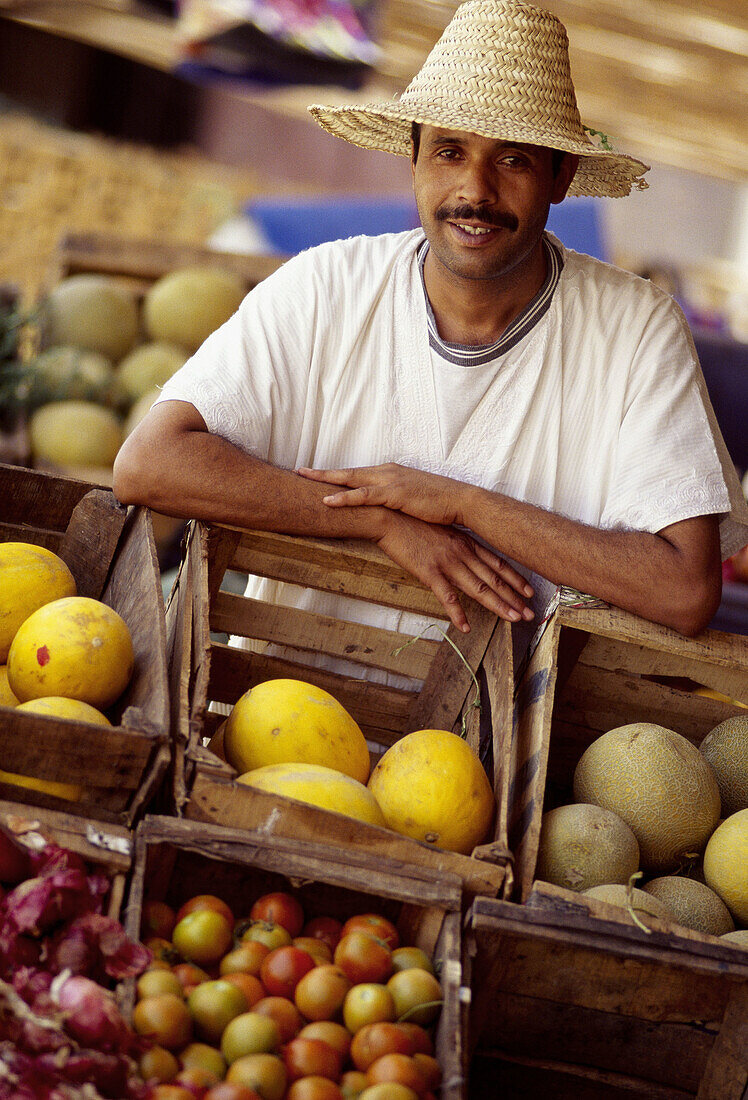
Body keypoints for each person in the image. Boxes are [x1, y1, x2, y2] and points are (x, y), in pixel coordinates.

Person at [113, 0, 748, 677]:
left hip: (508, 758)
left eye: (512, 159)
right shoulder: (328, 287)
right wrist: (382, 520)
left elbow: (684, 590)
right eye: (449, 151)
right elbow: (149, 463)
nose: (474, 190)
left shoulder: (634, 330)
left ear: (561, 175)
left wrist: (459, 502)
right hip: (281, 716)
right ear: (412, 156)